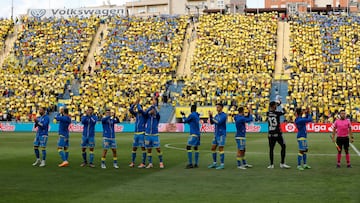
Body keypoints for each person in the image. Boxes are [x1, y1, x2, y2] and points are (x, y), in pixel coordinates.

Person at [266, 101, 291, 169]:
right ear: (274, 106)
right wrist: (281, 104)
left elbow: (271, 110)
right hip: (277, 133)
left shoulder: (267, 113)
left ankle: (271, 164)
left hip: (270, 134)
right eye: (275, 105)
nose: (276, 106)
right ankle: (282, 163)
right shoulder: (277, 113)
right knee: (283, 146)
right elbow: (284, 111)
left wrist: (276, 104)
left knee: (271, 149)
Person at [145, 97, 163, 169]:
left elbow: (158, 114)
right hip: (148, 134)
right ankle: (150, 163)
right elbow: (145, 113)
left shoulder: (157, 116)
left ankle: (161, 162)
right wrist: (151, 108)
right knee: (149, 149)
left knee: (158, 148)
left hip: (155, 134)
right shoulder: (148, 116)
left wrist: (155, 107)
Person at [208, 103, 227, 170]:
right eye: (216, 107)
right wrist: (210, 116)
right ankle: (214, 163)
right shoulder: (216, 115)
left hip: (221, 134)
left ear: (221, 108)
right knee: (213, 148)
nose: (217, 108)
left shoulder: (224, 115)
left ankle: (222, 164)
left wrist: (212, 117)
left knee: (220, 148)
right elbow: (212, 122)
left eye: (218, 107)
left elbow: (218, 122)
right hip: (216, 134)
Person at [129, 99, 147, 168]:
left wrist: (138, 103)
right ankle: (133, 162)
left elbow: (140, 110)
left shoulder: (144, 114)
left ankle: (143, 163)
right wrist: (134, 104)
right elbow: (130, 110)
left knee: (143, 148)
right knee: (134, 148)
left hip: (141, 133)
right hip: (136, 133)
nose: (137, 109)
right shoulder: (136, 115)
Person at [234, 105, 253, 169]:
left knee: (243, 150)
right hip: (240, 136)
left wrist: (248, 113)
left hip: (240, 135)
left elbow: (244, 117)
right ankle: (239, 165)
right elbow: (250, 119)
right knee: (240, 150)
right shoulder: (241, 118)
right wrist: (250, 113)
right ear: (242, 112)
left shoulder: (237, 117)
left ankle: (244, 163)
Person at [181, 104, 200, 169]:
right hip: (198, 134)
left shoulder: (192, 115)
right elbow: (190, 122)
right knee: (196, 148)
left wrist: (183, 115)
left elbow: (185, 121)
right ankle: (196, 163)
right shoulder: (197, 115)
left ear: (191, 109)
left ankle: (190, 163)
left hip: (193, 133)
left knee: (188, 147)